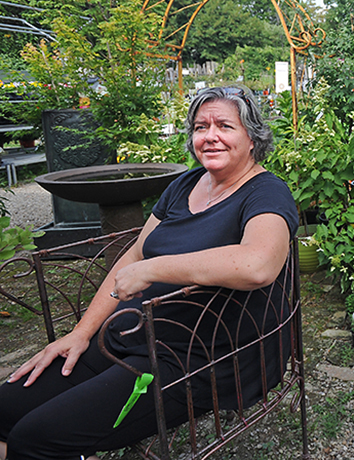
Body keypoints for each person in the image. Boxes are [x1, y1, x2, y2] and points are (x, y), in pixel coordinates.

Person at [0, 86, 298, 460]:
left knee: (35, 439)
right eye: (200, 127)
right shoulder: (184, 185)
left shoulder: (266, 193)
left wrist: (155, 269)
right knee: (5, 409)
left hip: (199, 357)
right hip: (130, 334)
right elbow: (135, 254)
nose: (210, 136)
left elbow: (259, 265)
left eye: (225, 125)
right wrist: (80, 333)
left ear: (252, 137)